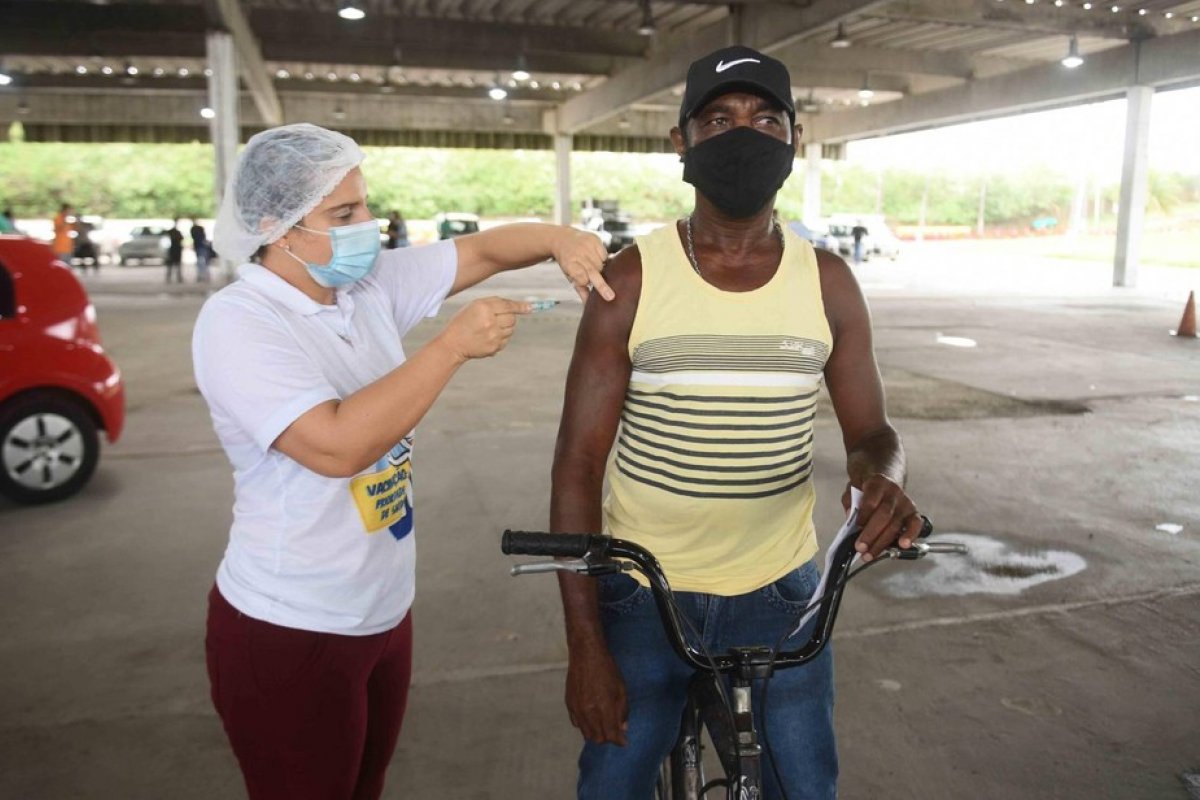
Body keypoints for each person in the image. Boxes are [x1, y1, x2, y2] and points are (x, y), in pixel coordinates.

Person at [192, 123, 611, 800]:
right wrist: (448, 348)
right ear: (278, 227)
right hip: (292, 621)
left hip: (382, 612)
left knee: (363, 785)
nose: (369, 227)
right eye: (343, 215)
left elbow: (482, 251)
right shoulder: (240, 322)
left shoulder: (364, 288)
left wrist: (558, 239)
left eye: (365, 205)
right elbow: (334, 446)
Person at [549, 46, 921, 800]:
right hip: (641, 588)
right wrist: (585, 645)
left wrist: (882, 481)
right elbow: (578, 464)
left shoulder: (828, 282)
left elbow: (871, 435)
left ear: (794, 138)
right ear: (680, 142)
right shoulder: (630, 279)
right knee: (611, 784)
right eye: (718, 119)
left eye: (764, 119)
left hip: (779, 592)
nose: (743, 135)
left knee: (805, 787)